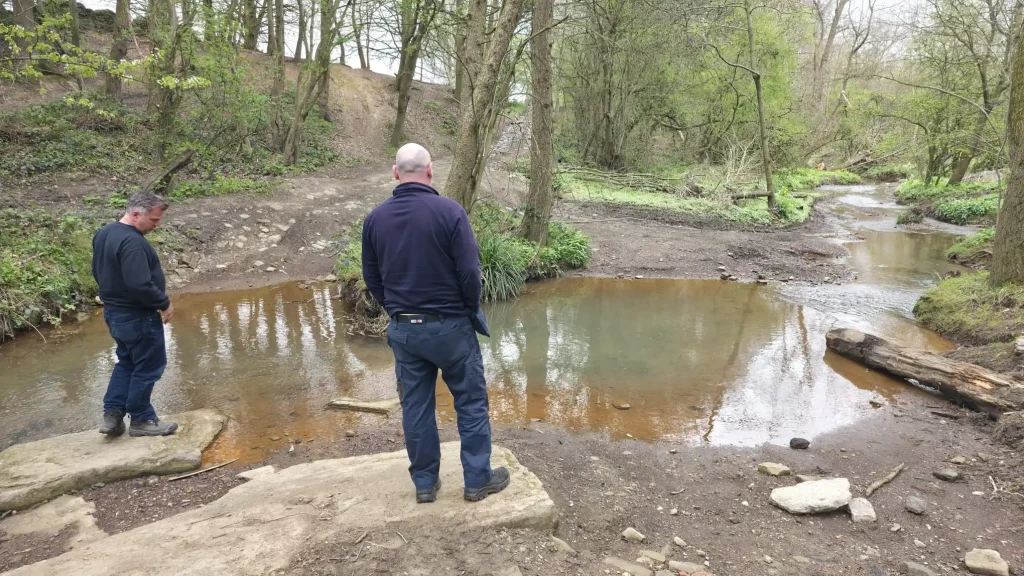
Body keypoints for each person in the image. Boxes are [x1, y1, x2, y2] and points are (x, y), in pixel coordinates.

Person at [362, 143, 510, 504]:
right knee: (470, 403)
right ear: (430, 170)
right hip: (451, 327)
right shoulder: (451, 212)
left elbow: (372, 275)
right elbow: (470, 273)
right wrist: (467, 309)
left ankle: (425, 483)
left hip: (405, 329)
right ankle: (477, 480)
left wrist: (395, 309)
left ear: (395, 173)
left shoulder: (375, 219)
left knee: (415, 407)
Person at [92, 190, 178, 437]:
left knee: (127, 362)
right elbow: (140, 284)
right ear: (136, 214)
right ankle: (141, 418)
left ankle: (112, 416)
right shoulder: (133, 243)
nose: (157, 224)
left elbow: (97, 272)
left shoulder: (105, 233)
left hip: (114, 313)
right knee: (149, 366)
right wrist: (164, 303)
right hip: (138, 316)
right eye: (154, 219)